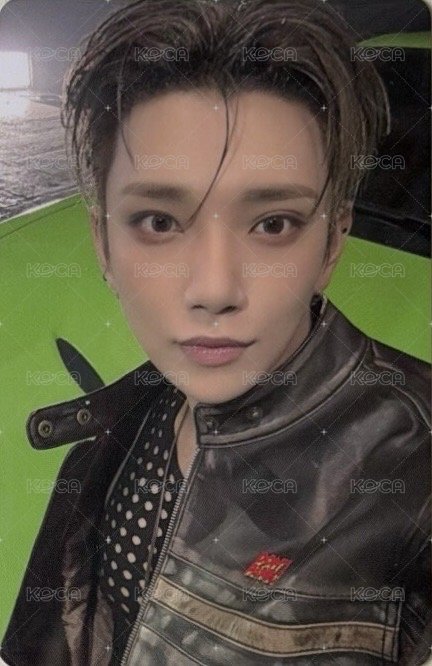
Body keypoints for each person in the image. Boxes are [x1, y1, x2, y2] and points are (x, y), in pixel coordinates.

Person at [1, 0, 430, 664]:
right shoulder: (125, 424)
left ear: (333, 242)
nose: (214, 289)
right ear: (103, 243)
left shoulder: (414, 458)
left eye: (273, 224)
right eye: (160, 222)